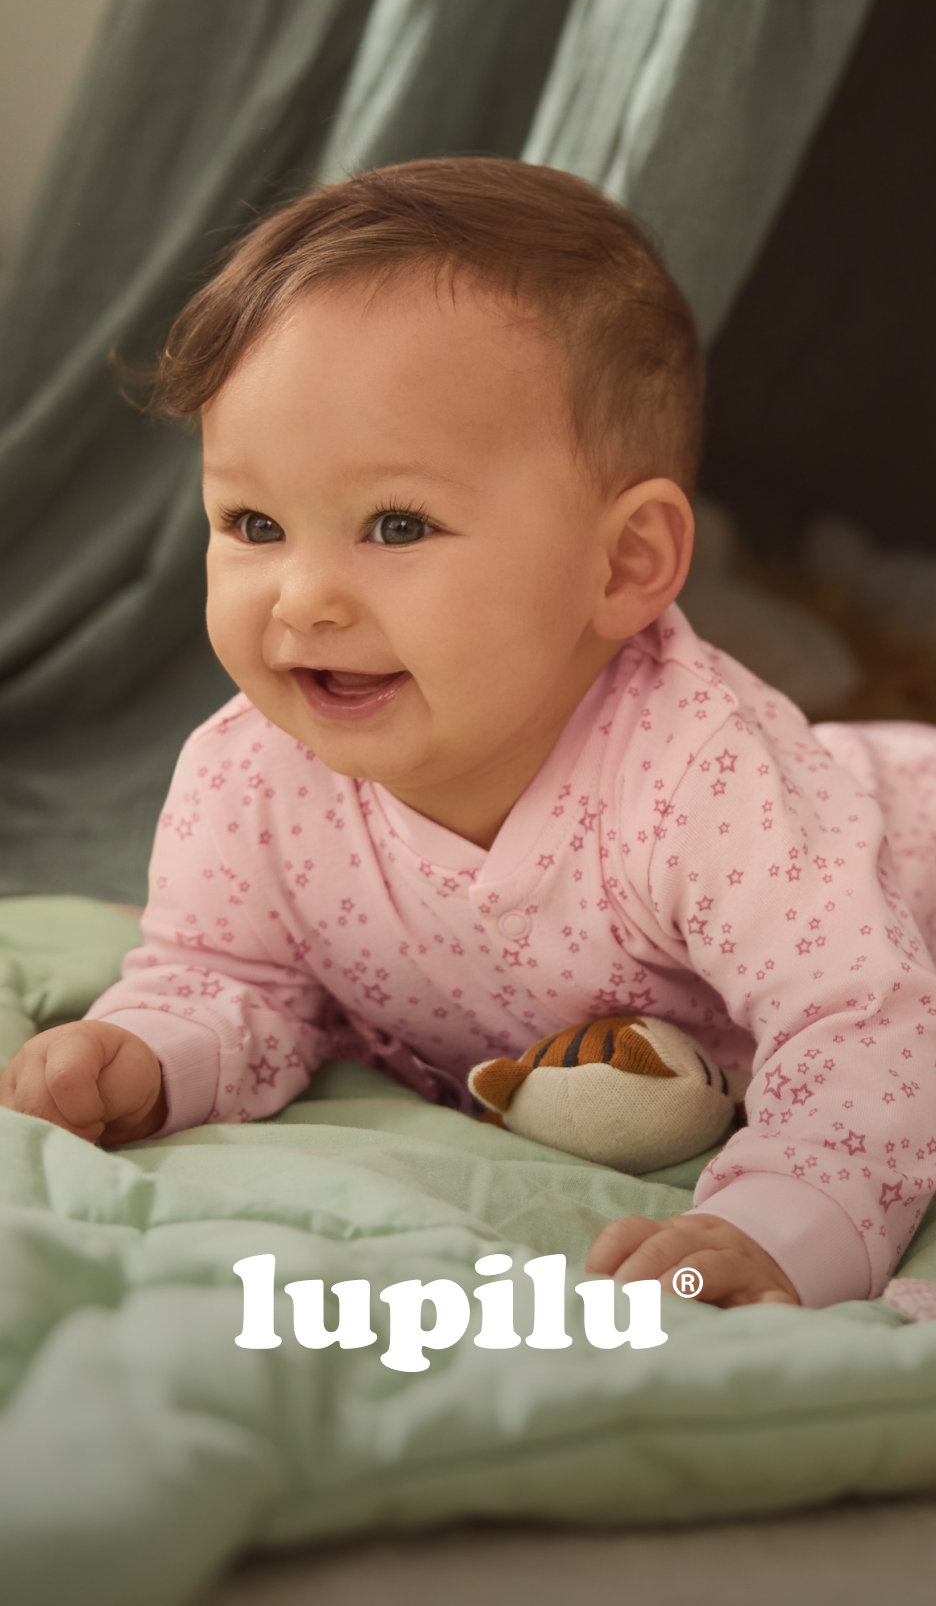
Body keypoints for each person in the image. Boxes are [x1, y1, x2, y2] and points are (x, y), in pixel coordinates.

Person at [3, 159, 935, 1313]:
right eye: (253, 523)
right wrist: (146, 1059)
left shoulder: (708, 774)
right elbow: (225, 977)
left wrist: (782, 1230)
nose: (301, 599)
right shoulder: (249, 772)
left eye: (396, 524)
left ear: (624, 563)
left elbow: (864, 1020)